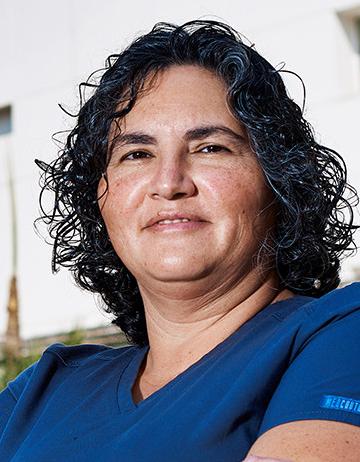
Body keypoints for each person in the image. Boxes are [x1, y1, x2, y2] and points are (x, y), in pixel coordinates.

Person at [0, 19, 359, 461]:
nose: (169, 184)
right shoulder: (38, 393)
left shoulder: (341, 336)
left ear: (278, 181)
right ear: (99, 198)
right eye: (136, 154)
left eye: (210, 148)